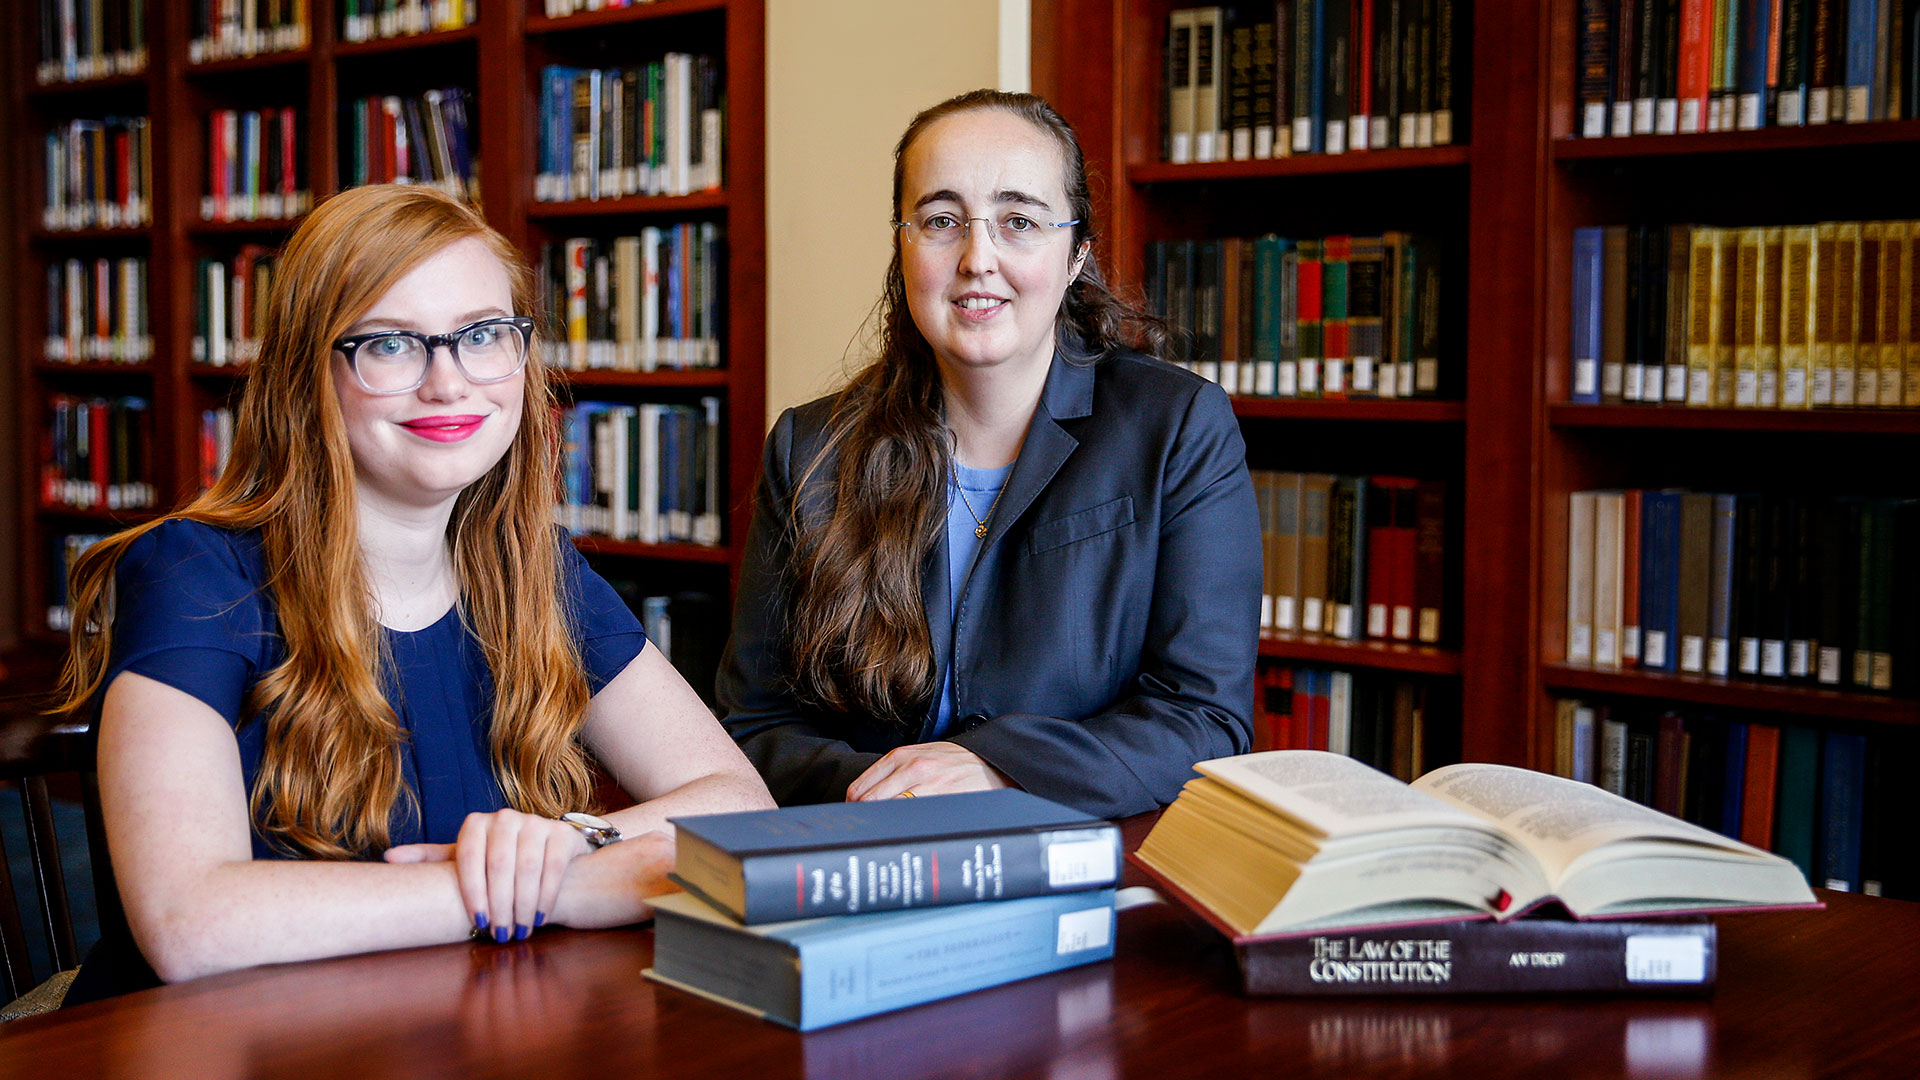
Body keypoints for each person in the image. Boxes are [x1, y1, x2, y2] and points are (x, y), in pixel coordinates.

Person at [51, 184, 772, 1005]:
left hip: (459, 1027)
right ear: (306, 372)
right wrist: (550, 890)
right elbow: (190, 923)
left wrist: (565, 842)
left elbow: (740, 805)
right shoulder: (194, 573)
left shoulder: (534, 569)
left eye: (482, 335)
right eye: (392, 344)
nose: (450, 383)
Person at [718, 90, 1260, 820]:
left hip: (1079, 858)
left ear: (1075, 257)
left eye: (1019, 222)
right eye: (942, 221)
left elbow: (1205, 720)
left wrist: (996, 770)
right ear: (903, 246)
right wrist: (899, 793)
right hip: (866, 855)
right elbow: (754, 727)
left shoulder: (1177, 428)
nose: (978, 259)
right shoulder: (809, 447)